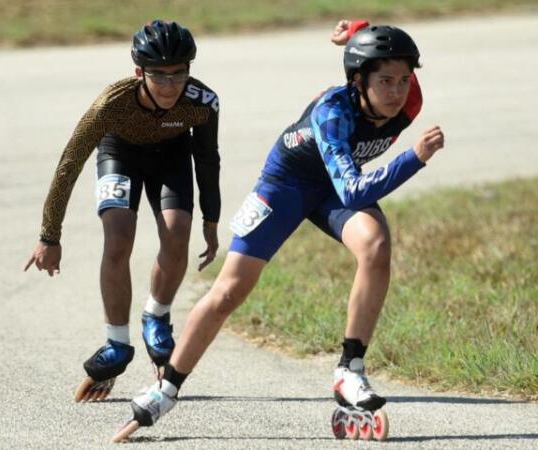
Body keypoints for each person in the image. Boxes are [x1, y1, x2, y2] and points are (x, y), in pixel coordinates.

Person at [112, 19, 445, 441]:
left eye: (403, 80)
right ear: (359, 81)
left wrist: (356, 32)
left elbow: (380, 60)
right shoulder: (333, 115)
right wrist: (413, 158)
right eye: (385, 81)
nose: (396, 92)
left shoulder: (408, 99)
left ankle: (350, 369)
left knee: (376, 245)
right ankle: (166, 388)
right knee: (229, 291)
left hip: (330, 188)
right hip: (287, 184)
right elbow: (355, 189)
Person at [24, 20, 221, 401]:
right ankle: (116, 342)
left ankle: (156, 316)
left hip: (172, 159)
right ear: (138, 73)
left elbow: (208, 159)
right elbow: (69, 164)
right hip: (121, 155)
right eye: (158, 76)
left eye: (178, 74)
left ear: (190, 70)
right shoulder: (110, 105)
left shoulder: (203, 102)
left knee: (178, 231)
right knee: (118, 239)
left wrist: (210, 220)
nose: (169, 86)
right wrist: (50, 235)